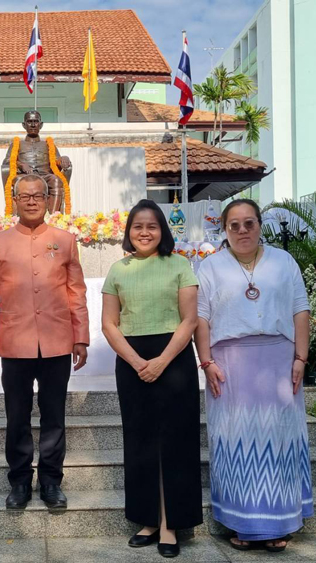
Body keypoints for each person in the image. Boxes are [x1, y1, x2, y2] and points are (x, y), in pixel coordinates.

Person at [193, 199, 312, 553]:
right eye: (234, 225)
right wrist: (207, 361)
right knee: (235, 440)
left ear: (260, 225)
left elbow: (300, 309)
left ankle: (280, 522)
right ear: (224, 230)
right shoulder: (211, 267)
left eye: (249, 223)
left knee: (278, 439)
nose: (242, 231)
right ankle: (243, 522)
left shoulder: (283, 262)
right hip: (230, 364)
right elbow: (202, 318)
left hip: (278, 360)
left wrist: (300, 358)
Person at [0, 174, 89, 511]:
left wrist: (80, 338)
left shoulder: (65, 240)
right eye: (24, 195)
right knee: (17, 416)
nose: (30, 201)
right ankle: (20, 482)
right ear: (14, 200)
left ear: (47, 200)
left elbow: (76, 292)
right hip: (14, 342)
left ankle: (52, 481)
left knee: (54, 415)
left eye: (37, 195)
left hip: (57, 342)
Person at [101, 200, 202, 558]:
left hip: (173, 358)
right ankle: (147, 519)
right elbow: (109, 324)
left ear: (163, 230)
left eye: (152, 226)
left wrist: (160, 361)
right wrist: (136, 361)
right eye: (138, 226)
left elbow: (189, 320)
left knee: (176, 441)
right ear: (129, 232)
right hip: (131, 361)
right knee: (140, 440)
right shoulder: (118, 270)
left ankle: (172, 523)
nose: (144, 232)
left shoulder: (179, 265)